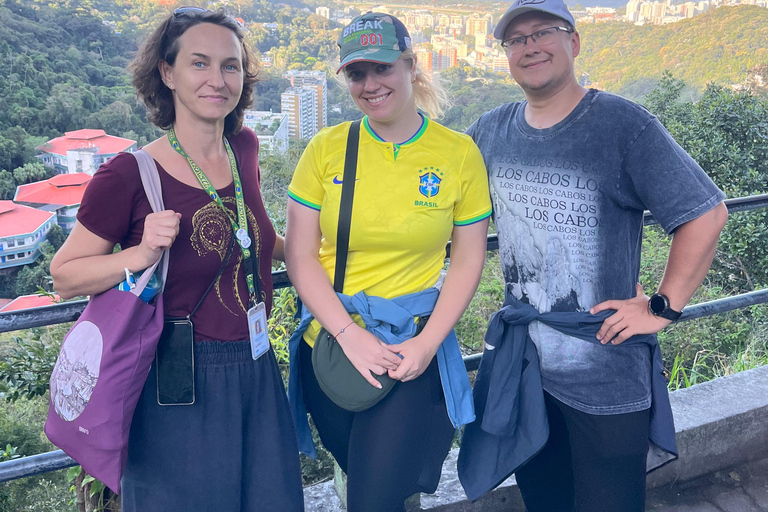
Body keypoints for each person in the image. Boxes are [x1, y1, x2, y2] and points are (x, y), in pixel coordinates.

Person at [459, 0, 729, 510]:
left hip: (604, 366)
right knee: (545, 498)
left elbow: (705, 213)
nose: (530, 46)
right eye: (517, 39)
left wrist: (662, 307)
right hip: (526, 367)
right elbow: (444, 206)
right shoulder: (492, 130)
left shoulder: (623, 125)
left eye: (544, 32)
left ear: (574, 42)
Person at [49, 8, 303, 511]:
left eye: (230, 66)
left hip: (255, 364)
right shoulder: (127, 175)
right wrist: (142, 252)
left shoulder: (243, 149)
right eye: (199, 63)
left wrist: (334, 249)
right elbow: (65, 275)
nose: (217, 80)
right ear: (167, 73)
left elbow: (251, 240)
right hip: (177, 380)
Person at [284, 12, 492, 512]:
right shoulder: (327, 150)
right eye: (357, 74)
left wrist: (428, 342)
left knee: (374, 499)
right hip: (333, 349)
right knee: (372, 483)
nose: (371, 84)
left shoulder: (457, 154)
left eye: (383, 68)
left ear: (411, 67)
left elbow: (467, 261)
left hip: (408, 351)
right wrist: (348, 334)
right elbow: (299, 254)